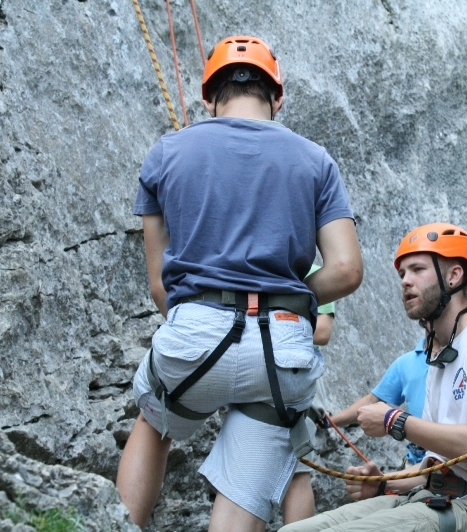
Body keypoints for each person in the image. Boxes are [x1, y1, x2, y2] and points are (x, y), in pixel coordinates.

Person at [115, 35, 363, 531]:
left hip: (195, 332)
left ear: (208, 96)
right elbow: (346, 269)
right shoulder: (315, 160)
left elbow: (161, 286)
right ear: (279, 96)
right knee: (243, 491)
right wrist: (286, 294)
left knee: (155, 422)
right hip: (282, 347)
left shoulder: (167, 153)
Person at [281, 223, 467, 532]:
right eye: (402, 274)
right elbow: (436, 465)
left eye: (417, 270)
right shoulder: (438, 354)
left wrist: (395, 421)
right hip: (434, 496)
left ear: (454, 276)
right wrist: (384, 483)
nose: (405, 281)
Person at [281, 264, 337, 525]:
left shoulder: (314, 272)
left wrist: (272, 328)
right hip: (262, 369)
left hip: (297, 375)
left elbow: (323, 331)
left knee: (298, 470)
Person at [328, 334, 430, 467]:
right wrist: (330, 421)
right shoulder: (407, 362)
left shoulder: (461, 357)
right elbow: (372, 400)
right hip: (417, 460)